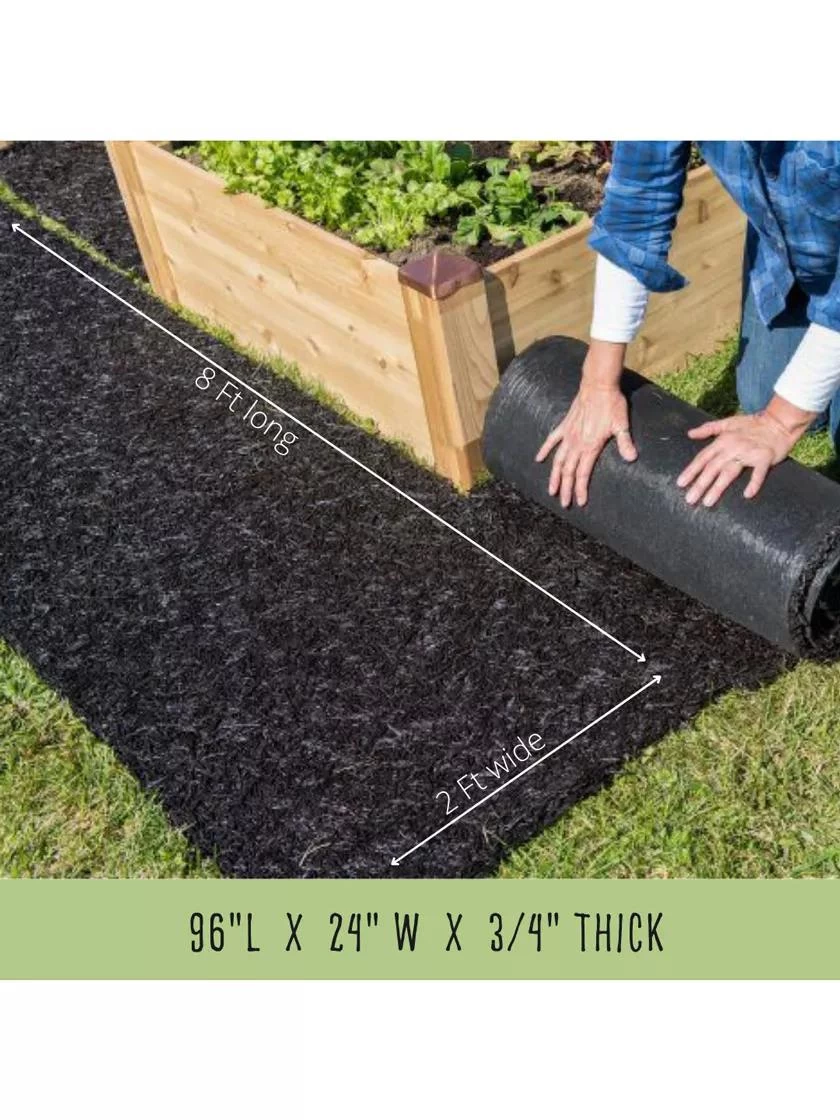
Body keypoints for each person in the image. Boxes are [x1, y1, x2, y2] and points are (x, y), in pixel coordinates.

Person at [536, 142, 840, 508]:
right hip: (787, 249)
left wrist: (780, 422)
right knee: (760, 395)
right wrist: (599, 383)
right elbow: (637, 203)